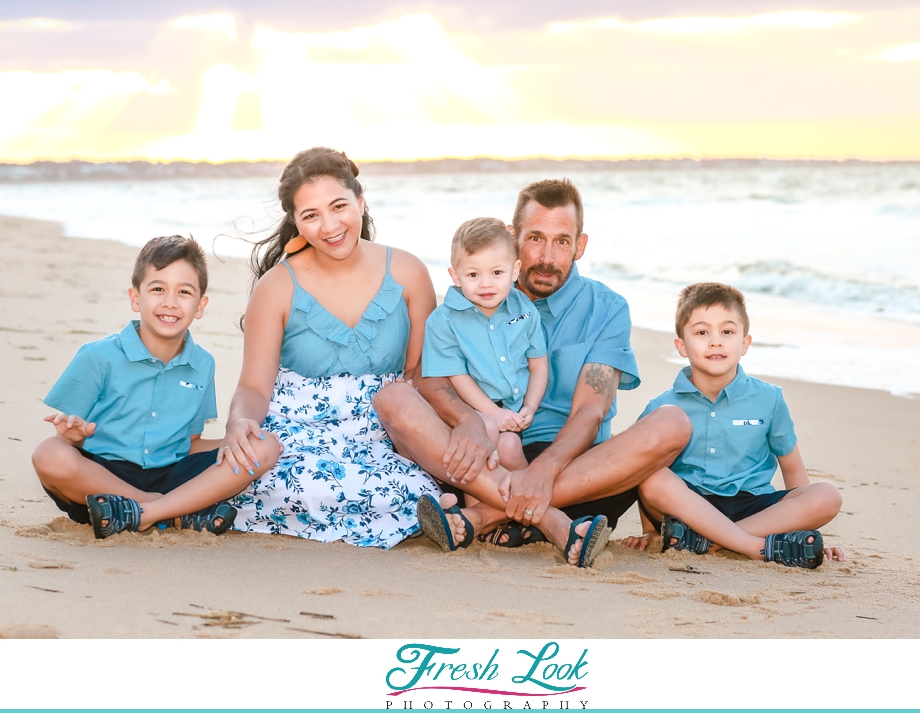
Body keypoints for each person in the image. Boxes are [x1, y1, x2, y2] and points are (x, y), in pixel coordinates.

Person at [374, 178, 691, 556]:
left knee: (673, 423)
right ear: (513, 238)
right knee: (393, 397)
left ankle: (483, 518)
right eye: (536, 237)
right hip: (484, 455)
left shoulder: (607, 308)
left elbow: (592, 410)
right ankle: (546, 520)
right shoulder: (473, 295)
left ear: (580, 246)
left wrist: (546, 469)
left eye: (562, 241)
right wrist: (467, 420)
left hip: (574, 467)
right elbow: (431, 382)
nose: (547, 256)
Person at [220, 147, 442, 548]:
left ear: (360, 200)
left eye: (339, 206)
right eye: (311, 215)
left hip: (384, 433)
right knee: (290, 481)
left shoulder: (409, 271)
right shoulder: (277, 286)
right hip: (299, 435)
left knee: (420, 490)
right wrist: (239, 422)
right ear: (296, 223)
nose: (329, 225)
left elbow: (421, 375)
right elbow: (253, 386)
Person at [32, 236, 281, 539]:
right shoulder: (97, 356)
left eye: (184, 292)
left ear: (200, 305)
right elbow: (71, 434)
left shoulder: (203, 364)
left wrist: (231, 441)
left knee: (264, 445)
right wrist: (74, 438)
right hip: (103, 477)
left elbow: (190, 442)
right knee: (48, 453)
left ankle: (144, 513)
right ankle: (169, 510)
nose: (170, 302)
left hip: (171, 473)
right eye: (158, 289)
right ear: (135, 297)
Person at [621, 282, 845, 568]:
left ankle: (710, 542)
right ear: (681, 346)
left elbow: (792, 468)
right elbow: (644, 470)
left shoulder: (769, 399)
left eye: (727, 332)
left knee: (827, 495)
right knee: (652, 478)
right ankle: (754, 546)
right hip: (687, 507)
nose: (716, 341)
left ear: (744, 343)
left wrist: (802, 529)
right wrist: (651, 531)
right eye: (702, 332)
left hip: (754, 508)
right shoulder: (661, 408)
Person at [422, 217, 548, 475]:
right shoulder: (443, 320)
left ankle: (519, 506)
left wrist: (529, 408)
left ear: (515, 271)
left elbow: (538, 365)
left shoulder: (525, 311)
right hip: (469, 410)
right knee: (486, 431)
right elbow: (457, 376)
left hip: (511, 412)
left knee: (511, 447)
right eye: (473, 274)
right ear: (455, 276)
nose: (486, 283)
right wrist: (492, 413)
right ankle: (476, 507)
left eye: (497, 273)